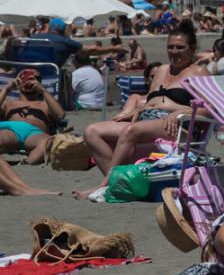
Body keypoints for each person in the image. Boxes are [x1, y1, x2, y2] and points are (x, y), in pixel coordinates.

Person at [78, 21, 209, 201]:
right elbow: (150, 99)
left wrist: (178, 113)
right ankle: (124, 183)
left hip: (176, 127)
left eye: (180, 47)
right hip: (147, 120)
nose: (174, 51)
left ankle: (105, 186)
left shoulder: (198, 72)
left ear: (192, 48)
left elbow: (210, 110)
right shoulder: (162, 70)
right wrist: (135, 110)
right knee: (92, 131)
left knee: (131, 131)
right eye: (170, 47)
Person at [0, 68, 63, 163]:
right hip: (10, 131)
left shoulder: (44, 104)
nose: (29, 79)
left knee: (48, 141)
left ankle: (28, 162)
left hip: (34, 134)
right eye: (24, 77)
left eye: (34, 78)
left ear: (39, 82)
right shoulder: (8, 103)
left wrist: (43, 91)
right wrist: (7, 89)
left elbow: (60, 115)